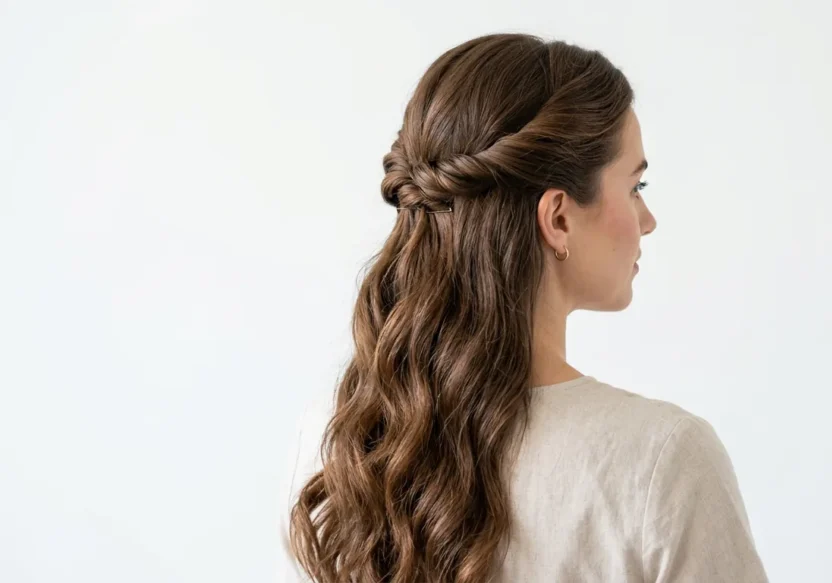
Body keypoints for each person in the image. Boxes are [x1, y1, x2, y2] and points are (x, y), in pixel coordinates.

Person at [281, 33, 767, 583]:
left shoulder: (342, 440)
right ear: (558, 217)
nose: (647, 220)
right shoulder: (664, 461)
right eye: (636, 186)